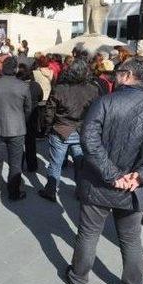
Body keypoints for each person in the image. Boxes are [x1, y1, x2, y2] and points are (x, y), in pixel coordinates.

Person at [66, 57, 143, 284]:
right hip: (130, 187)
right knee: (130, 241)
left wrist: (126, 175)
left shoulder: (104, 102)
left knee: (89, 234)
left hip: (104, 184)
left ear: (127, 75)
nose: (114, 76)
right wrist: (137, 176)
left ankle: (78, 279)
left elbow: (88, 141)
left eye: (118, 72)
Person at [38, 59, 99, 202]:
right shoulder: (93, 89)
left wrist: (48, 126)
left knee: (56, 163)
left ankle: (51, 190)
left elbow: (49, 111)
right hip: (80, 130)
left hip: (61, 129)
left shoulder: (60, 88)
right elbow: (96, 111)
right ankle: (80, 191)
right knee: (80, 164)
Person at [0, 57, 32, 200]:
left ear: (2, 68)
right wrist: (21, 120)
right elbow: (28, 109)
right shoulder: (24, 86)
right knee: (15, 162)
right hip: (17, 128)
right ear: (15, 69)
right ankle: (13, 192)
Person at [17, 63, 44, 173]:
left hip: (20, 116)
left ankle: (18, 165)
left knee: (19, 143)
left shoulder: (17, 86)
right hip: (32, 116)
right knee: (31, 143)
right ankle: (32, 165)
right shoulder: (35, 85)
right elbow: (40, 97)